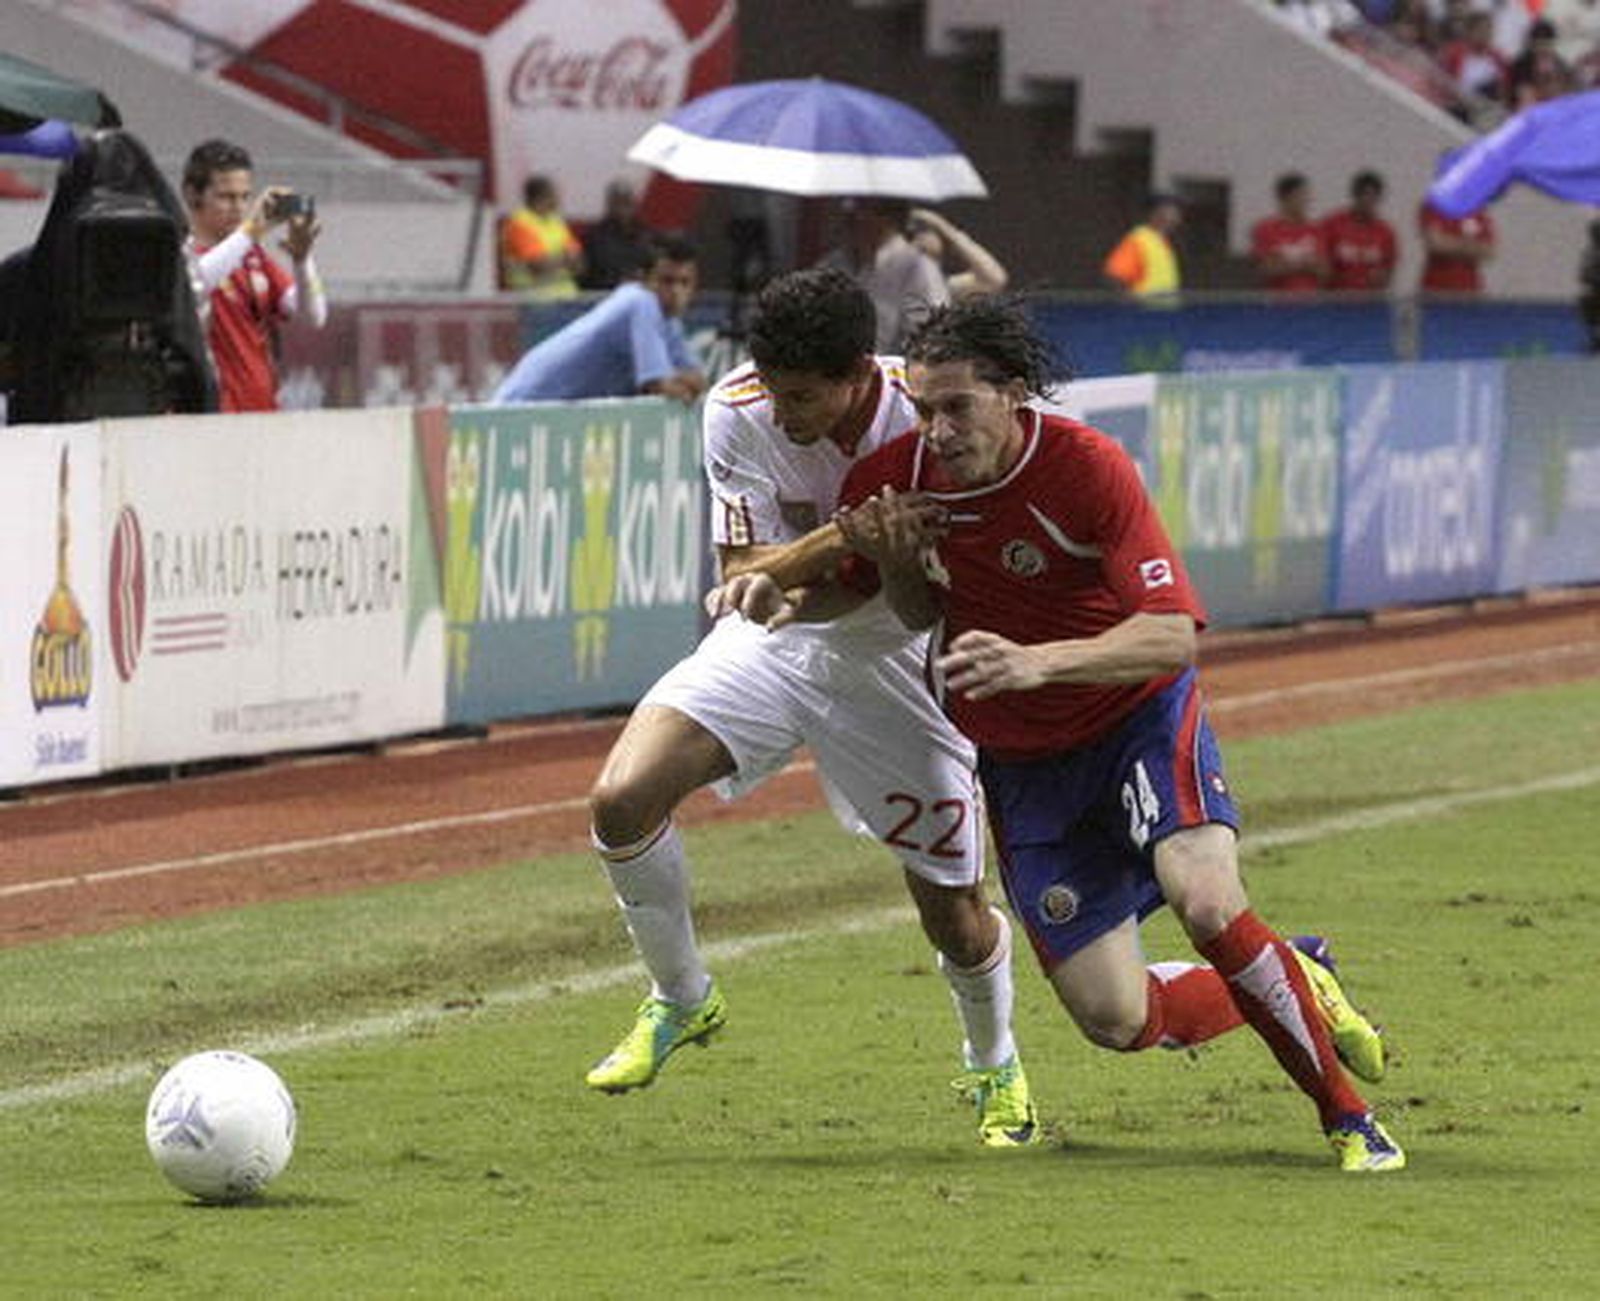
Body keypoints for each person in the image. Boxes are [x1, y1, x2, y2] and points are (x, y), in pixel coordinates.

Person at [714, 295, 1403, 1173]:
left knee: (1205, 901)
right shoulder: (895, 477)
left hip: (1135, 718)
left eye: (957, 407)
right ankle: (1296, 973)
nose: (937, 430)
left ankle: (1350, 1120)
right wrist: (881, 566)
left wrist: (1042, 662)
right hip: (1024, 763)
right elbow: (912, 607)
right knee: (1115, 1020)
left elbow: (1171, 634)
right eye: (923, 409)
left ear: (1016, 393)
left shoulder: (1087, 467)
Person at [581, 267, 1038, 1148]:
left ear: (860, 373)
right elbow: (740, 574)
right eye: (776, 392)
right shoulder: (737, 407)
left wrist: (830, 561)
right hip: (778, 643)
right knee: (620, 800)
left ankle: (996, 1062)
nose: (784, 414)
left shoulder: (928, 411)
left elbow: (922, 601)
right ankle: (682, 998)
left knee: (952, 908)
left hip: (900, 655)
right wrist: (835, 541)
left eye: (804, 397)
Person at [182, 138, 326, 414]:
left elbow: (314, 315)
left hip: (261, 412)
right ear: (192, 195)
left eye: (245, 196)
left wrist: (302, 259)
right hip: (204, 417)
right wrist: (251, 231)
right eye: (226, 197)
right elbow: (194, 284)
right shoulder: (181, 252)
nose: (238, 207)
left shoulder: (252, 257)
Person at [492, 235, 705, 404]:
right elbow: (660, 387)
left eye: (684, 283)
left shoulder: (670, 322)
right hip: (521, 406)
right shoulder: (640, 301)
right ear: (643, 279)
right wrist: (680, 384)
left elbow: (697, 379)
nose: (676, 292)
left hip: (560, 415)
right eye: (667, 281)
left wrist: (686, 383)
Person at [817, 197, 949, 352]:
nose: (856, 218)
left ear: (890, 218)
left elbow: (931, 334)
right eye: (851, 209)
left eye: (866, 209)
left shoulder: (917, 267)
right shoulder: (833, 264)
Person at [500, 174, 583, 299]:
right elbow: (538, 267)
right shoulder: (519, 224)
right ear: (540, 197)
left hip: (567, 297)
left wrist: (555, 260)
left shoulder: (556, 222)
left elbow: (579, 263)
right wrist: (565, 259)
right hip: (537, 300)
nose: (558, 200)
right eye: (554, 195)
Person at [1250, 173, 1328, 293]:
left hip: (1310, 303)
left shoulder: (1316, 230)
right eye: (1301, 195)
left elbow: (1324, 271)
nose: (1306, 201)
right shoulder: (1266, 229)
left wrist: (1286, 264)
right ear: (1285, 198)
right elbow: (1266, 269)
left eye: (1307, 196)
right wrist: (1303, 265)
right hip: (1278, 304)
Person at [1321, 171, 1398, 292]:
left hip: (1370, 301)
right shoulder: (1332, 224)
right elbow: (1322, 267)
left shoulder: (1385, 232)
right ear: (1355, 196)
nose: (1369, 202)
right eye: (1365, 195)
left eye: (1374, 197)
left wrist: (1381, 277)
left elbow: (1388, 271)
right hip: (1337, 300)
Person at [908, 207, 1009, 299]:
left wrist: (941, 225)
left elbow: (994, 280)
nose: (918, 241)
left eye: (923, 230)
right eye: (910, 236)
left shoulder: (944, 286)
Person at [578, 178, 655, 291]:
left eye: (626, 202)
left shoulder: (645, 234)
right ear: (609, 205)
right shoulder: (593, 237)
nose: (622, 208)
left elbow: (652, 267)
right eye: (617, 202)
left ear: (634, 204)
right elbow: (584, 276)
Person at [1102, 193, 1182, 301]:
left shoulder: (1162, 242)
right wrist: (1132, 306)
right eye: (1172, 212)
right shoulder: (1139, 240)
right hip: (1144, 314)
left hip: (1162, 314)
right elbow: (1115, 277)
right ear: (1157, 213)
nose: (1177, 217)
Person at [1418, 199, 1495, 293]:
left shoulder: (1477, 211)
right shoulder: (1434, 206)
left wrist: (1452, 243)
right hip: (1436, 290)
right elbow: (1436, 244)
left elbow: (1489, 251)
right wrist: (1470, 246)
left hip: (1471, 290)